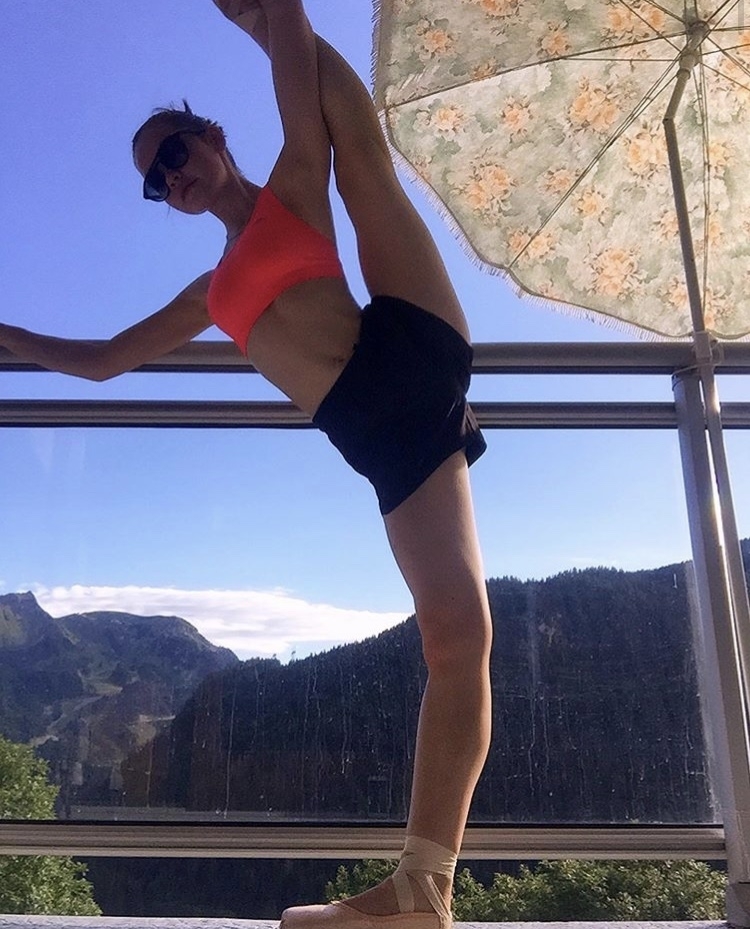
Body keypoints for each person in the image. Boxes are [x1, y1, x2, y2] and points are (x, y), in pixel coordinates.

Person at [0, 1, 493, 926]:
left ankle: (421, 890)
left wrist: (269, 22)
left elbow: (301, 86)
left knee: (360, 156)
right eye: (155, 181)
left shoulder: (290, 186)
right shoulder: (210, 291)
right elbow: (105, 360)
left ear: (214, 137)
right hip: (376, 431)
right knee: (453, 635)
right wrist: (9, 335)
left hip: (409, 355)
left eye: (174, 150)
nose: (171, 177)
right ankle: (420, 893)